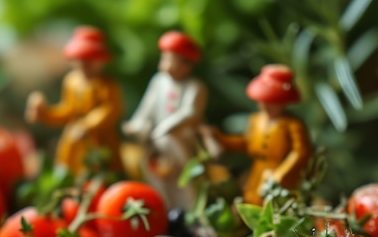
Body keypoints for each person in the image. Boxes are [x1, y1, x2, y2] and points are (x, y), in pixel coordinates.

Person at [200, 64, 312, 205]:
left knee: (277, 205)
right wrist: (220, 137)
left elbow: (300, 152)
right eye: (263, 100)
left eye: (272, 101)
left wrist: (281, 173)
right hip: (258, 172)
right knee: (252, 201)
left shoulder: (293, 125)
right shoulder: (256, 120)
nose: (265, 105)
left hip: (281, 176)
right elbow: (246, 143)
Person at [122, 31, 207, 210]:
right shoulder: (159, 81)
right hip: (156, 143)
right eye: (166, 59)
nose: (168, 65)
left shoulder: (195, 87)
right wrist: (137, 124)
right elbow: (147, 107)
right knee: (155, 175)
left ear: (187, 64)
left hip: (180, 142)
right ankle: (161, 206)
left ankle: (187, 210)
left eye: (174, 60)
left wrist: (166, 128)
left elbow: (190, 112)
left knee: (183, 178)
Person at [25, 26, 123, 175]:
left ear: (100, 61)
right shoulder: (71, 82)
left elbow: (111, 110)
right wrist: (45, 114)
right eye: (80, 60)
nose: (84, 65)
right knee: (68, 161)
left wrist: (86, 125)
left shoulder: (107, 85)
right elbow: (67, 110)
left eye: (89, 60)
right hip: (74, 137)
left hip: (100, 137)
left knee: (105, 167)